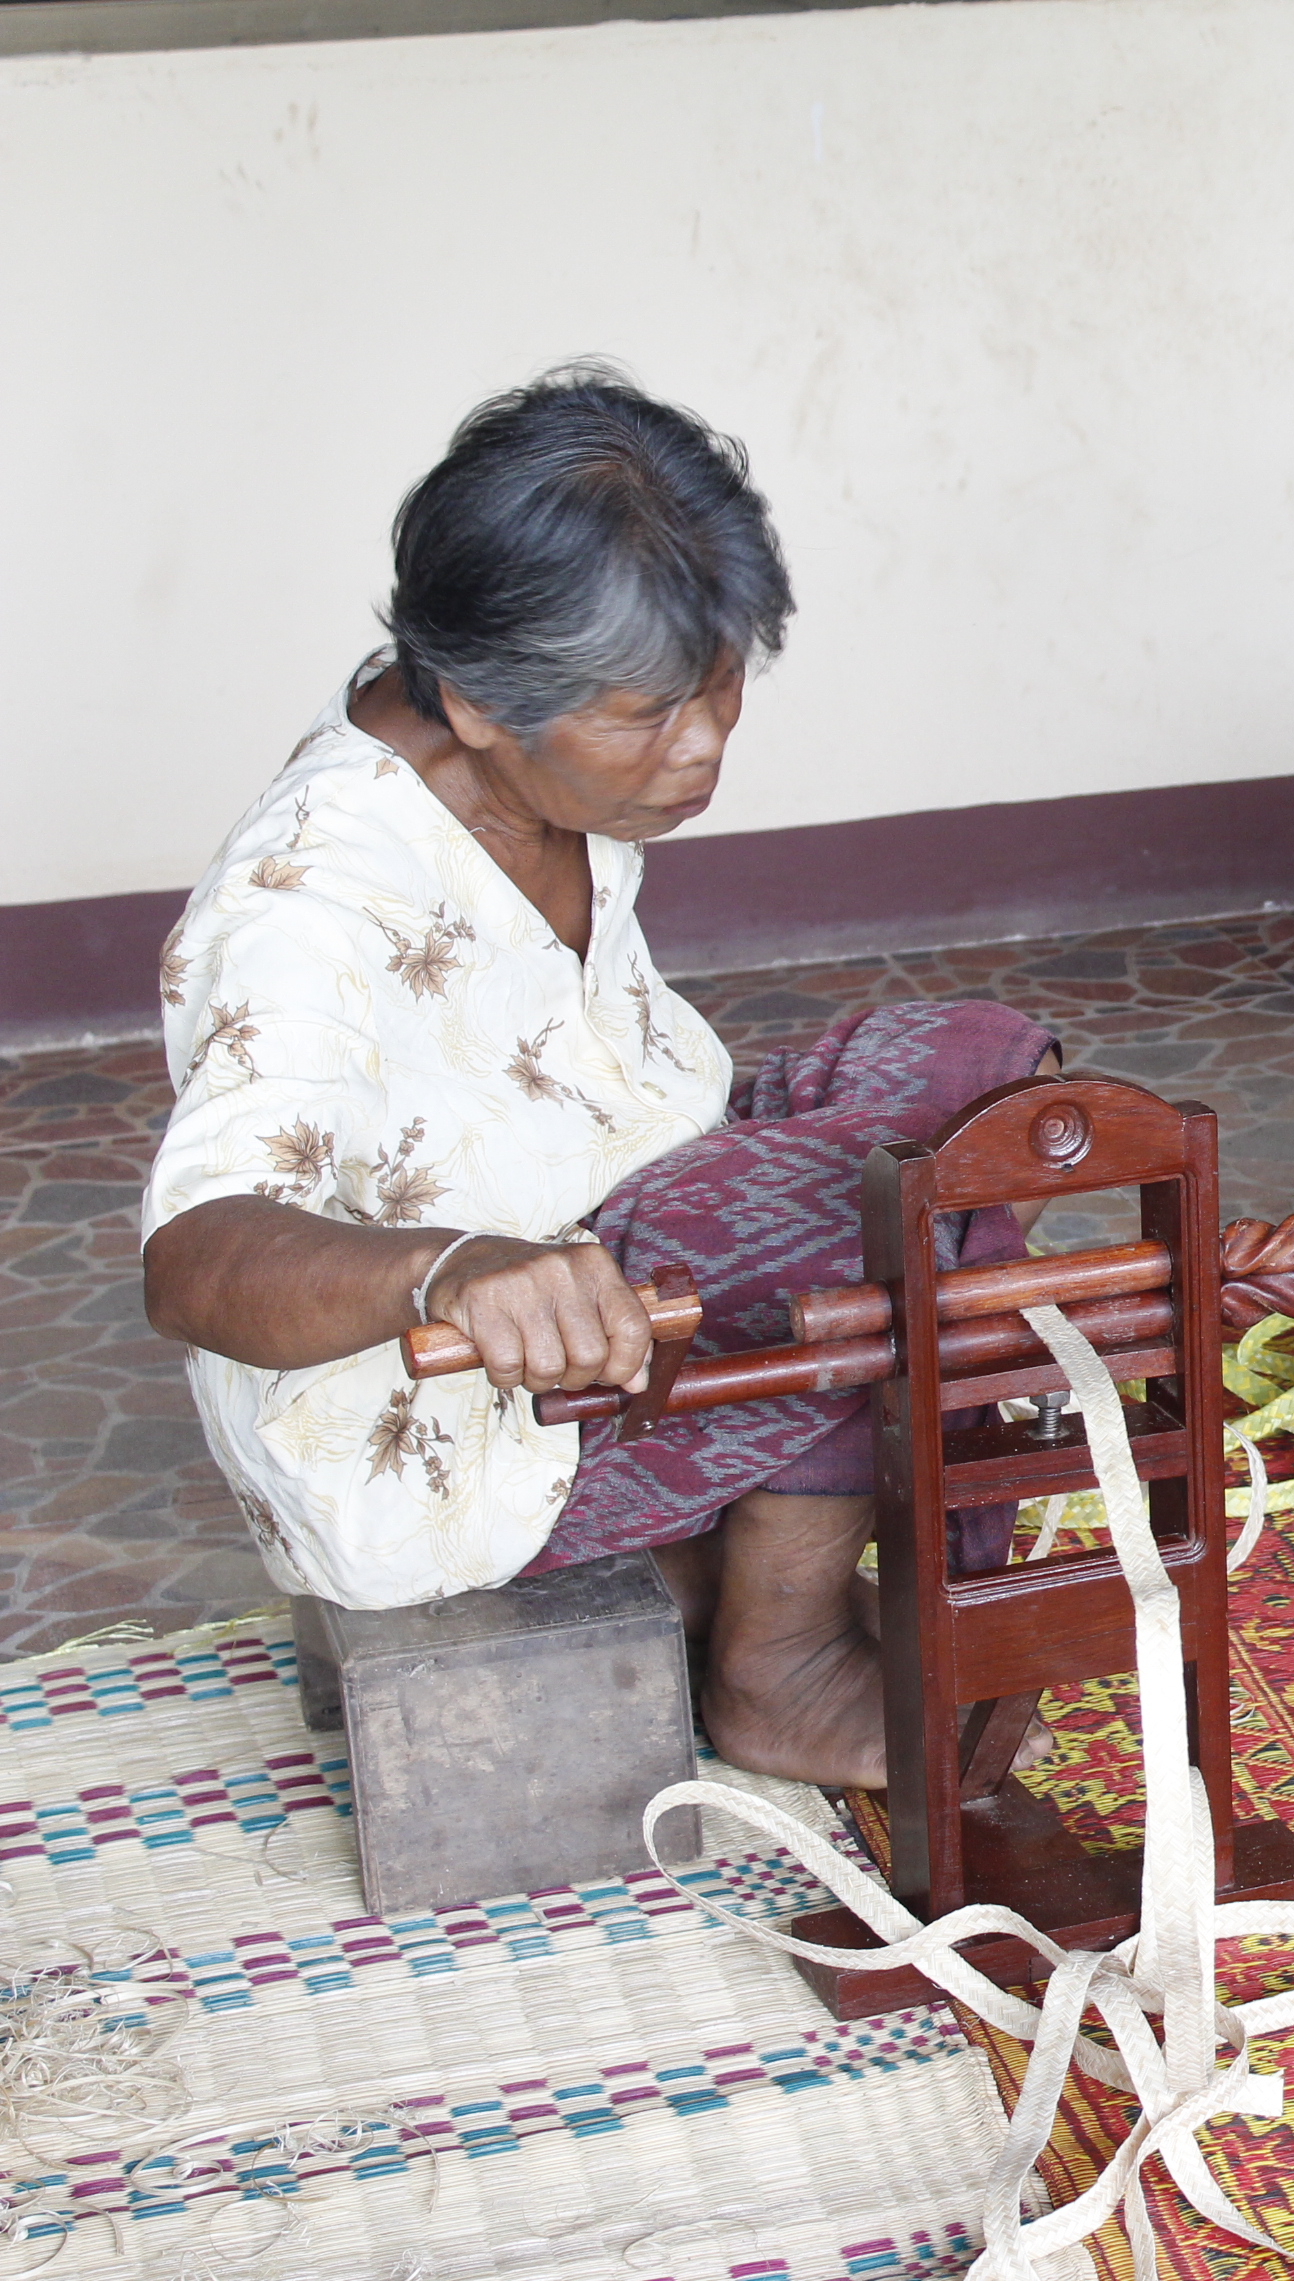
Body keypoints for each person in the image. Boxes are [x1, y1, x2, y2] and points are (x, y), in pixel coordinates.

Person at [141, 368, 1057, 1788]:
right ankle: (777, 1663)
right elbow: (195, 1259)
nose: (699, 747)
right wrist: (455, 1272)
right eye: (646, 713)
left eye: (718, 685)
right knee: (855, 1216)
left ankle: (732, 1550)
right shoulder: (303, 907)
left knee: (962, 1075)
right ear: (477, 702)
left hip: (614, 1234)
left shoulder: (538, 770)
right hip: (452, 1419)